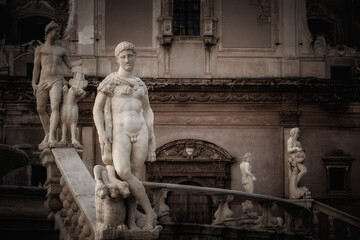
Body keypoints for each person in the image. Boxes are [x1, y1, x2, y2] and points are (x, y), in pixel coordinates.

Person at [93, 41, 157, 230]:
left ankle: (130, 222)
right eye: (123, 56)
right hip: (120, 132)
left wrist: (152, 137)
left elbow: (147, 111)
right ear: (118, 59)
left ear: (135, 57)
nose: (127, 59)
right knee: (123, 172)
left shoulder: (140, 84)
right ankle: (149, 212)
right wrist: (102, 132)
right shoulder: (110, 81)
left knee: (135, 175)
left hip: (141, 132)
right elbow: (96, 109)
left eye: (130, 56)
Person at [32, 20, 81, 150]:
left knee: (55, 107)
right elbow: (36, 67)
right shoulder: (40, 49)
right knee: (40, 109)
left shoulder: (61, 50)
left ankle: (52, 136)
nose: (58, 34)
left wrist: (80, 63)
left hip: (57, 79)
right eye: (56, 31)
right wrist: (33, 82)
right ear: (49, 31)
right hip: (43, 80)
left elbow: (70, 65)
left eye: (58, 31)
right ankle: (48, 133)